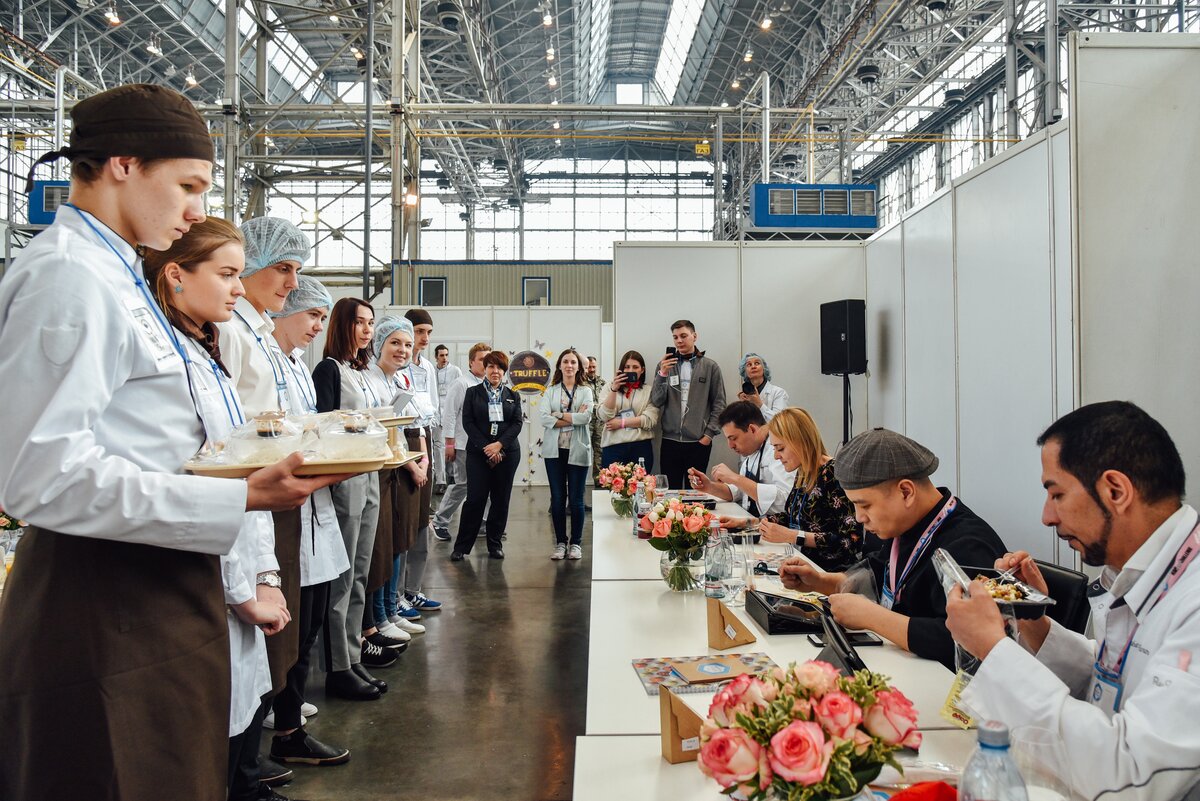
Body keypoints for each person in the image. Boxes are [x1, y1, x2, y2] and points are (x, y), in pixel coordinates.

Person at [0, 83, 335, 801]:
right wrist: (237, 496)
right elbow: (36, 472)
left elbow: (154, 438)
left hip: (155, 587)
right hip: (104, 600)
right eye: (187, 185)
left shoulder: (120, 278)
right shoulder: (70, 277)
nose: (193, 211)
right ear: (122, 163)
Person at [946, 402, 1200, 801]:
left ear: (1116, 490)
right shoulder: (1140, 571)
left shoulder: (1193, 600)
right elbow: (1115, 685)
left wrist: (993, 650)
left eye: (1057, 494)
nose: (1047, 516)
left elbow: (1130, 774)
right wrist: (1034, 623)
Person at [142, 219, 292, 795]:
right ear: (176, 276)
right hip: (201, 575)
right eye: (228, 273)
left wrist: (263, 574)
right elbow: (197, 480)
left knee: (230, 738)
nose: (237, 287)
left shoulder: (205, 351)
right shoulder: (177, 356)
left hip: (237, 565)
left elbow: (234, 468)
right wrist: (243, 588)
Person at [217, 215, 327, 796]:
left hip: (261, 504)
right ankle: (244, 771)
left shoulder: (255, 329)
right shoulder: (235, 332)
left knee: (266, 650)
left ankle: (248, 768)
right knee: (252, 652)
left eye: (295, 271)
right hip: (245, 502)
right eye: (281, 268)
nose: (290, 283)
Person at [779, 428, 1007, 671]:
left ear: (906, 492)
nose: (859, 518)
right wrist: (820, 581)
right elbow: (878, 574)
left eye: (864, 505)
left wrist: (873, 618)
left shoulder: (968, 545)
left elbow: (967, 642)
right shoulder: (910, 525)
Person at [265, 276, 353, 770]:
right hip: (286, 507)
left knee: (313, 618)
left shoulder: (295, 364)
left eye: (323, 317)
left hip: (314, 507)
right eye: (311, 315)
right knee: (291, 625)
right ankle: (285, 728)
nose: (317, 326)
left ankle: (289, 716)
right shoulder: (262, 355)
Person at [312, 297, 396, 701]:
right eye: (359, 323)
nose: (366, 330)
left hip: (368, 473)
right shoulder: (329, 370)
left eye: (370, 323)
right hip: (345, 478)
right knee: (342, 576)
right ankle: (337, 667)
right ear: (342, 325)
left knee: (361, 570)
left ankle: (352, 652)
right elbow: (325, 426)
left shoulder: (360, 372)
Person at [364, 316, 430, 648]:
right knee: (384, 547)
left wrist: (421, 458)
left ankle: (391, 610)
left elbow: (408, 428)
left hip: (400, 468)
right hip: (385, 472)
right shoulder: (371, 380)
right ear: (379, 344)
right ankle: (379, 615)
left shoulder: (395, 381)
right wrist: (412, 464)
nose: (403, 350)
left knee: (400, 540)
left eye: (407, 344)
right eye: (395, 343)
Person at [751, 407, 863, 572]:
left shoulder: (833, 473)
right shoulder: (804, 471)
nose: (776, 456)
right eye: (774, 449)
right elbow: (793, 517)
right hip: (805, 566)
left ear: (800, 441)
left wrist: (793, 536)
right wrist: (752, 524)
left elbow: (850, 540)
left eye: (780, 448)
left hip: (830, 574)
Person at [451, 351, 523, 561]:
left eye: (500, 368)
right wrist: (487, 447)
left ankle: (495, 544)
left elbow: (517, 423)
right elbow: (468, 422)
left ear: (504, 371)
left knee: (501, 500)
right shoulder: (472, 393)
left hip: (507, 454)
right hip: (478, 453)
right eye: (491, 367)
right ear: (485, 368)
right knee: (475, 499)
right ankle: (462, 547)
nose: (495, 371)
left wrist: (500, 445)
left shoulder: (512, 395)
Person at [400, 308, 443, 616]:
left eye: (428, 332)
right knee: (402, 524)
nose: (424, 338)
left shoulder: (427, 366)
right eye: (419, 332)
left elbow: (432, 408)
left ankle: (413, 590)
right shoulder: (395, 364)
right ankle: (396, 595)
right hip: (404, 440)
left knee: (421, 523)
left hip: (425, 438)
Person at [651, 319, 726, 489]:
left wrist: (708, 436)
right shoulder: (664, 366)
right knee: (671, 494)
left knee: (696, 494)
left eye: (683, 336)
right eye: (675, 337)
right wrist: (662, 374)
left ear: (694, 336)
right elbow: (656, 400)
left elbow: (720, 404)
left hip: (698, 442)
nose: (679, 341)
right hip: (670, 441)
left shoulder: (710, 367)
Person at [689, 401, 794, 524]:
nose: (730, 446)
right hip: (754, 524)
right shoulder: (752, 453)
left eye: (734, 438)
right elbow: (739, 492)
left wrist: (734, 478)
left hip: (776, 528)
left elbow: (787, 501)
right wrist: (709, 486)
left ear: (752, 429)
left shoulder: (777, 453)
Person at [433, 342, 490, 542]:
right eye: (482, 359)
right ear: (471, 362)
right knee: (462, 485)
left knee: (486, 485)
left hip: (484, 445)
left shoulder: (488, 384)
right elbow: (449, 415)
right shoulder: (461, 383)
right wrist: (449, 444)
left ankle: (483, 522)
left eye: (488, 359)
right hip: (463, 445)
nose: (486, 363)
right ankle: (440, 521)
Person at [541, 349, 594, 561]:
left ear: (578, 367)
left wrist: (559, 415)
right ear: (560, 366)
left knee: (576, 499)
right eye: (565, 362)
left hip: (578, 450)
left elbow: (586, 418)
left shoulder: (586, 391)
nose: (569, 365)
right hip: (554, 453)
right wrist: (573, 416)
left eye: (573, 362)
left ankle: (576, 544)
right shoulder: (551, 390)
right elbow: (544, 418)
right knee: (557, 499)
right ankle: (561, 543)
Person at [598, 350, 659, 472]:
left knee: (641, 488)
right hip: (613, 447)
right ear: (621, 369)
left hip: (640, 447)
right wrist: (614, 389)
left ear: (642, 370)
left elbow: (649, 420)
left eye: (635, 367)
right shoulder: (609, 387)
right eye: (627, 367)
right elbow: (604, 415)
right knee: (612, 489)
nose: (631, 370)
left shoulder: (649, 391)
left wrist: (621, 423)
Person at [433, 343, 462, 492]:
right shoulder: (432, 371)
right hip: (437, 415)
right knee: (438, 448)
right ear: (436, 357)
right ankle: (440, 480)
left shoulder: (455, 371)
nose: (444, 358)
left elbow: (462, 391)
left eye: (446, 355)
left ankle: (454, 478)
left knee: (453, 448)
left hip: (452, 415)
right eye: (441, 355)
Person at [737, 352, 788, 422]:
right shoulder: (746, 396)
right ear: (745, 372)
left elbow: (780, 422)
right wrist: (743, 407)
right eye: (749, 365)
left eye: (757, 363)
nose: (753, 366)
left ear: (764, 369)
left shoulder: (779, 393)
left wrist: (759, 404)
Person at [583, 355, 607, 485]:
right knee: (584, 451)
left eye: (594, 367)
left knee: (600, 452)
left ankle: (600, 483)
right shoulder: (580, 382)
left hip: (600, 422)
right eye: (589, 367)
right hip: (586, 422)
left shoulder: (602, 382)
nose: (592, 369)